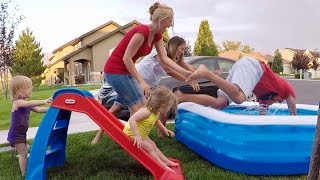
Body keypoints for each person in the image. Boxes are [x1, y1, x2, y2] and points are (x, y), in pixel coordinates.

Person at [91, 3, 193, 144]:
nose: (169, 26)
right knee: (137, 108)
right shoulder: (141, 32)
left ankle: (140, 138)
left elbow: (165, 60)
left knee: (144, 105)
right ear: (161, 20)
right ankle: (140, 141)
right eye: (170, 22)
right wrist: (141, 81)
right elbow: (126, 58)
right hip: (115, 71)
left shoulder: (157, 36)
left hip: (126, 72)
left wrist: (188, 74)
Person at [177, 57, 297, 115]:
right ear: (277, 97)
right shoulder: (285, 87)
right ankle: (206, 73)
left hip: (244, 65)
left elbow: (262, 118)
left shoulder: (263, 100)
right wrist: (294, 123)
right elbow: (292, 109)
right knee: (239, 98)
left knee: (220, 103)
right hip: (254, 66)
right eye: (277, 102)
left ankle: (182, 96)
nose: (274, 104)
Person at [122, 86, 178, 172]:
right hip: (131, 133)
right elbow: (132, 119)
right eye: (169, 106)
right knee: (149, 147)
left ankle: (166, 161)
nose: (169, 108)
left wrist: (164, 129)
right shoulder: (146, 112)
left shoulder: (155, 112)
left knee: (153, 145)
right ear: (161, 103)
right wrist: (136, 135)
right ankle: (162, 165)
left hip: (141, 134)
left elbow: (156, 121)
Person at [7, 75, 52, 176]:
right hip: (15, 135)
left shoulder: (25, 103)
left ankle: (25, 170)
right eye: (28, 88)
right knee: (24, 153)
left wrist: (52, 109)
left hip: (21, 134)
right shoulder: (18, 103)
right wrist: (44, 101)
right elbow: (29, 103)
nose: (31, 89)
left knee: (24, 151)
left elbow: (39, 110)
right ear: (19, 91)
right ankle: (24, 174)